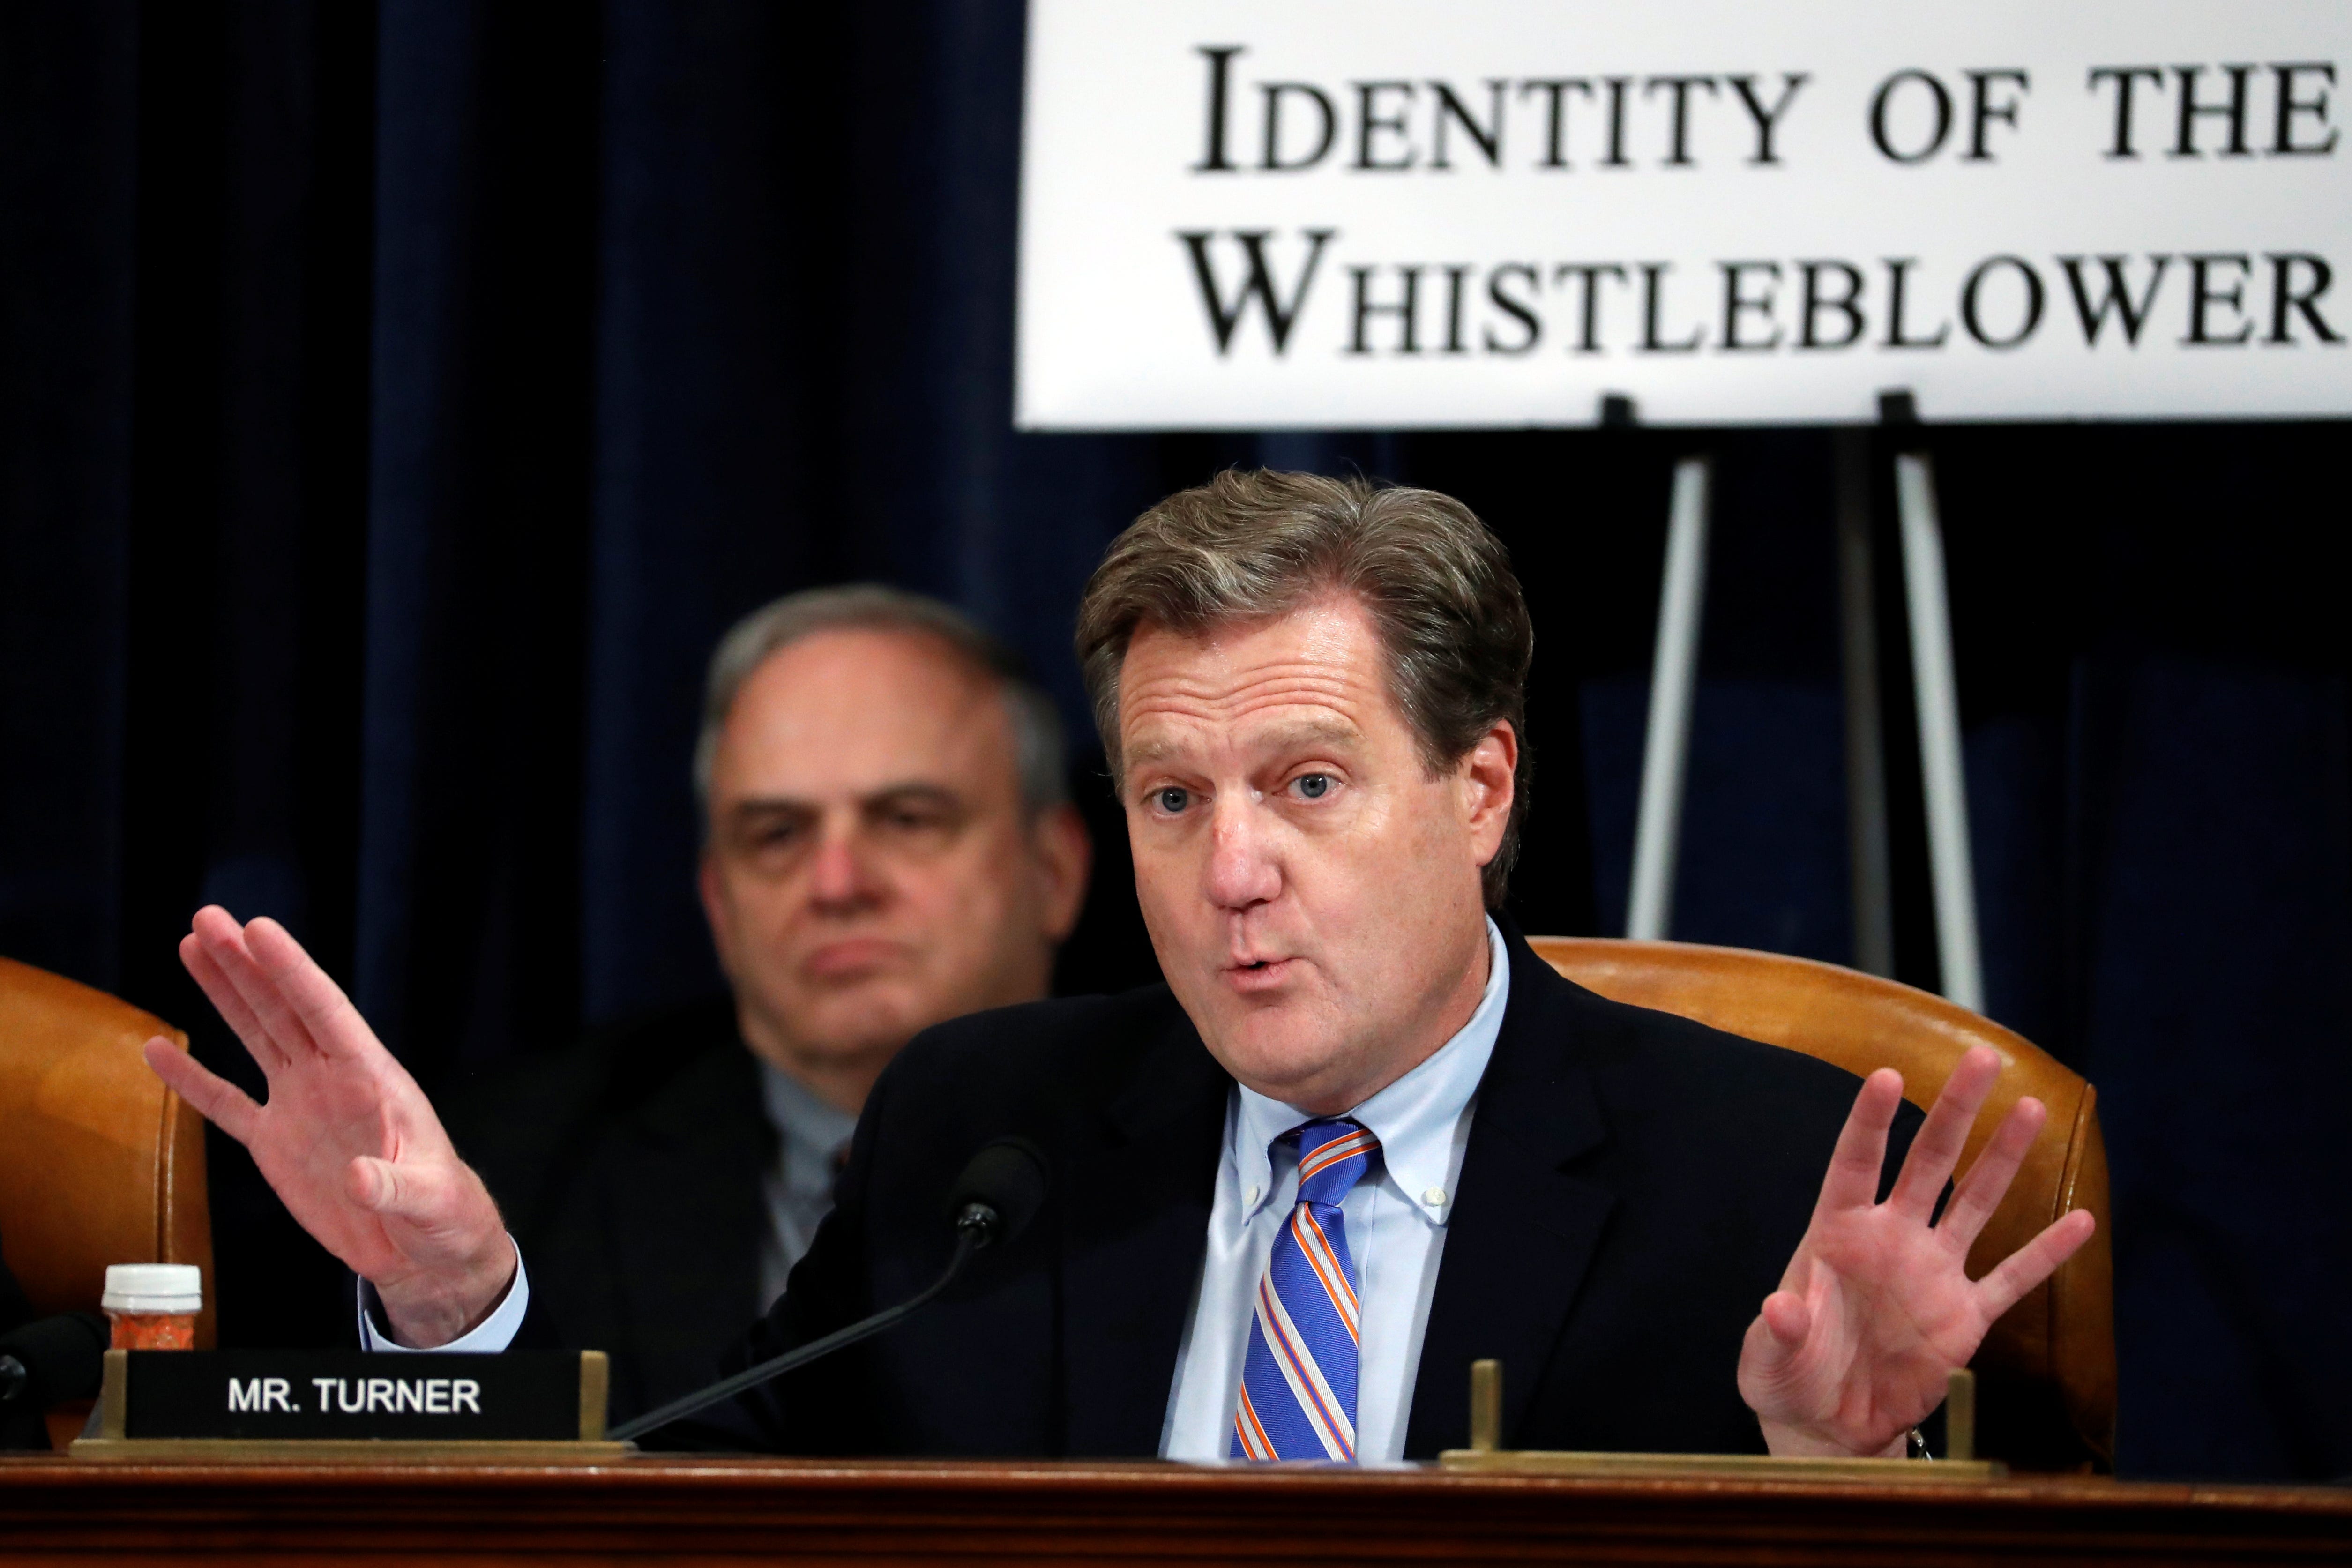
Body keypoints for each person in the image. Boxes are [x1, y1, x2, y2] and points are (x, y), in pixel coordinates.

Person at [144, 472, 2092, 1462]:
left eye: (1306, 783)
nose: (1231, 872)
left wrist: (1834, 1474)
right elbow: (693, 1518)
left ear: (1481, 786)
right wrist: (454, 1297)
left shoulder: (1758, 1178)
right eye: (1173, 796)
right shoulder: (983, 1131)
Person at [408, 587, 1089, 1418]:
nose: (836, 884)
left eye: (908, 819)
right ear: (719, 906)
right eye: (777, 835)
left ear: (1055, 870)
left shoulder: (1203, 1157)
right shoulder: (508, 1181)